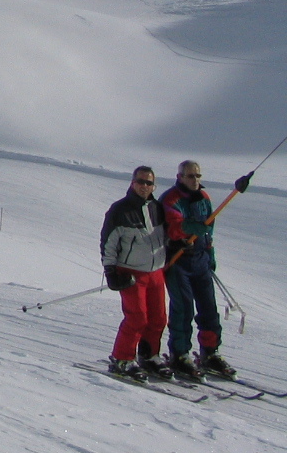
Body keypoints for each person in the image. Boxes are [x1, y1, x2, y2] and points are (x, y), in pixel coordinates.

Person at [160, 160, 234, 380]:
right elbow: (174, 227)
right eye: (190, 176)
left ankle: (210, 352)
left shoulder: (204, 198)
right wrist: (190, 228)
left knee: (209, 308)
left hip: (200, 259)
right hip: (178, 259)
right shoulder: (171, 199)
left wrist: (210, 256)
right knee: (183, 308)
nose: (195, 180)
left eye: (198, 176)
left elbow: (208, 231)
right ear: (180, 176)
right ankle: (179, 354)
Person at [99, 166, 170, 382]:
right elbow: (108, 243)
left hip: (155, 271)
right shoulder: (119, 210)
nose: (145, 187)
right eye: (141, 182)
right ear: (132, 182)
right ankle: (122, 358)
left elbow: (166, 235)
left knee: (158, 318)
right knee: (137, 317)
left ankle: (149, 356)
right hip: (131, 272)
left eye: (149, 183)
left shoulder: (157, 207)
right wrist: (110, 271)